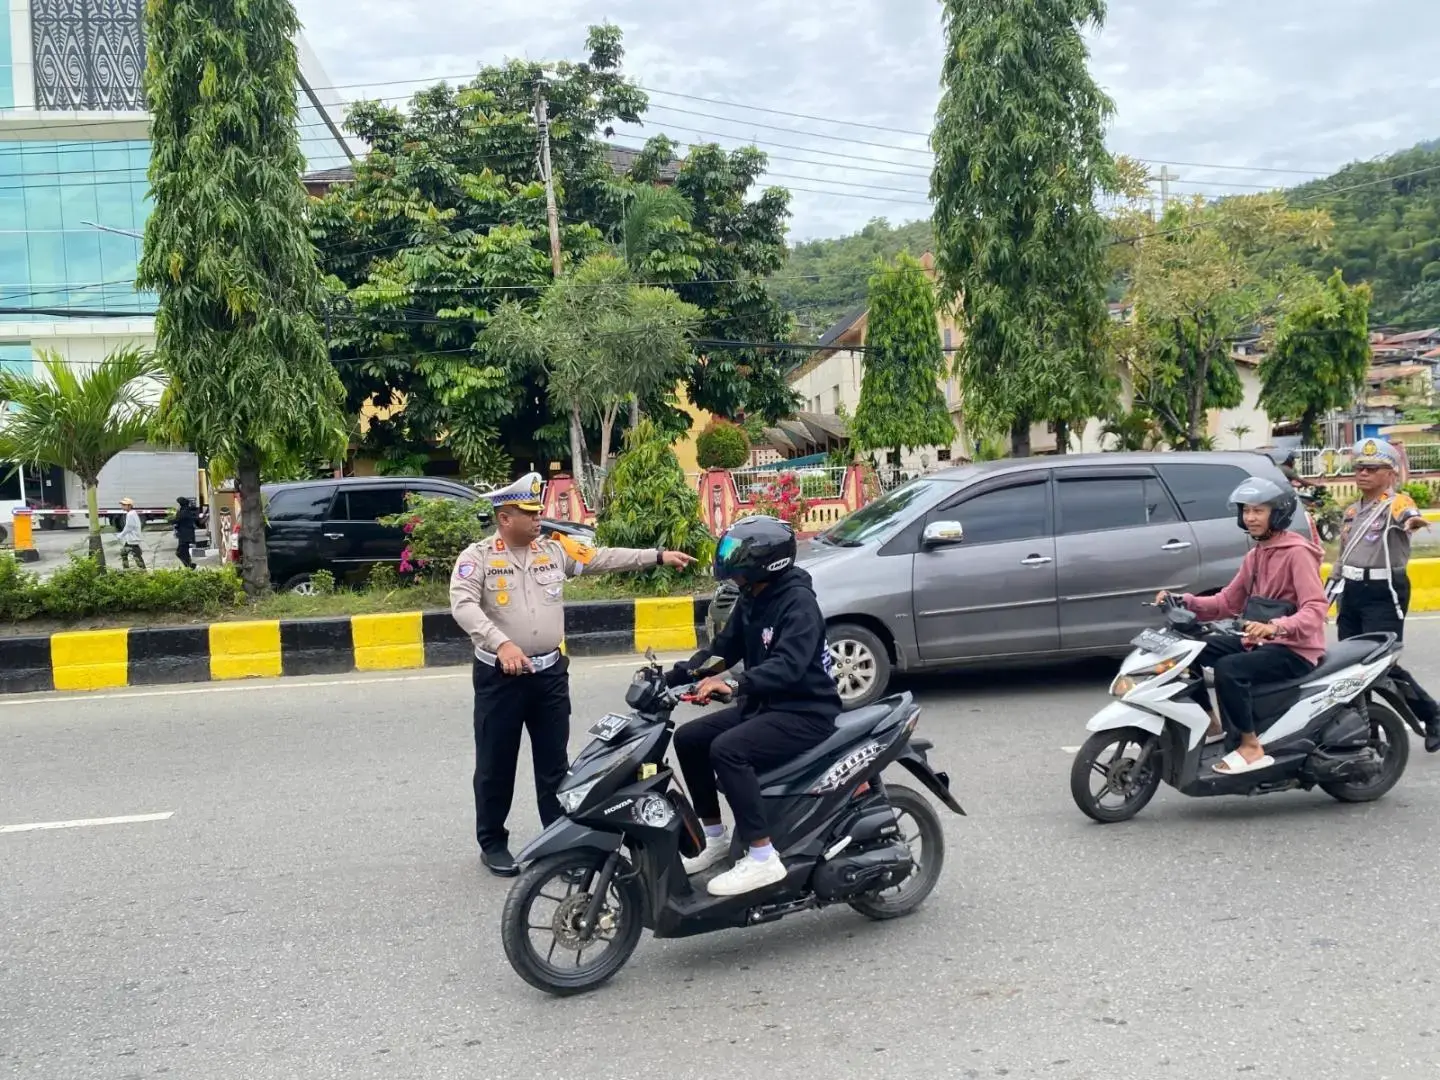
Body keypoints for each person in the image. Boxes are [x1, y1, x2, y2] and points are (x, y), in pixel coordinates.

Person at [449, 472, 697, 877]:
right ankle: (492, 842)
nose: (538, 520)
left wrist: (656, 555)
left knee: (554, 764)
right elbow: (463, 606)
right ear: (505, 517)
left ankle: (558, 841)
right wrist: (502, 643)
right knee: (496, 763)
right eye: (529, 514)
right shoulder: (477, 558)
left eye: (537, 512)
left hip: (549, 676)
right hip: (501, 678)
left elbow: (599, 558)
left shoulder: (553, 550)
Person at [670, 515, 843, 897]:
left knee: (728, 750)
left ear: (765, 561)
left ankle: (763, 856)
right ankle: (714, 837)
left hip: (805, 712)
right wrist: (674, 676)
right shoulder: (753, 598)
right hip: (766, 705)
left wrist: (733, 684)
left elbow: (789, 666)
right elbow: (723, 652)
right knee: (689, 738)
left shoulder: (798, 604)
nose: (731, 568)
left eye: (737, 559)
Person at [1156, 476, 1328, 775]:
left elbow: (1316, 608)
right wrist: (1182, 600)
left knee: (1230, 669)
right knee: (1189, 650)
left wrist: (1276, 627)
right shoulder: (1257, 554)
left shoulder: (1297, 553)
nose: (1250, 517)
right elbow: (1227, 603)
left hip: (1294, 649)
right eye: (1246, 510)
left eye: (1258, 511)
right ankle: (1211, 722)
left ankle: (1250, 746)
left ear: (1277, 513)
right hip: (1258, 641)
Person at [1327, 438, 1440, 752]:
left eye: (1372, 469)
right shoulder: (1352, 511)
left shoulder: (1397, 503)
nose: (1363, 473)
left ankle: (1433, 715)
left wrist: (1415, 522)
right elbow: (1344, 555)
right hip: (1351, 591)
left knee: (1381, 664)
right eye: (1360, 468)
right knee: (1349, 664)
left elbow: (1409, 518)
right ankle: (1364, 728)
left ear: (1390, 473)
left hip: (1383, 591)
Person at [117, 498, 145, 570]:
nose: (122, 506)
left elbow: (129, 527)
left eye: (124, 505)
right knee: (124, 553)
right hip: (131, 539)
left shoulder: (130, 514)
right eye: (122, 505)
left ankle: (142, 570)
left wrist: (121, 535)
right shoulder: (132, 513)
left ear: (129, 506)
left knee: (136, 556)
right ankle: (126, 569)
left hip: (133, 539)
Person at [173, 497, 199, 569]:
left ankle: (189, 565)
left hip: (185, 536)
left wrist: (171, 520)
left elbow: (176, 520)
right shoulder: (186, 510)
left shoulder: (183, 512)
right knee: (184, 552)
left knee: (180, 552)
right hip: (186, 535)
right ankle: (189, 566)